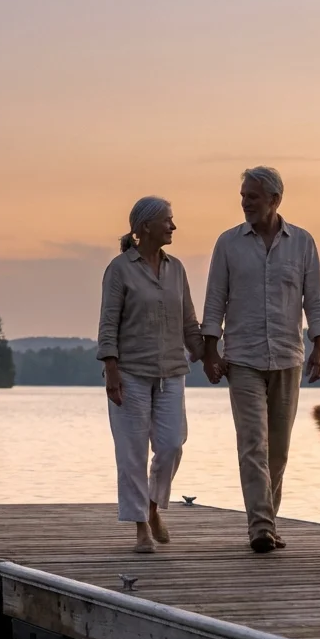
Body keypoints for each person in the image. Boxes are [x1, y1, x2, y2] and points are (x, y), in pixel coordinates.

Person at [200, 166, 320, 554]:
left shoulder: (303, 243)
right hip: (242, 357)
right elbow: (214, 300)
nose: (245, 203)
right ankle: (259, 527)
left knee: (279, 449)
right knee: (252, 443)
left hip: (288, 357)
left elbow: (316, 300)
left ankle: (268, 522)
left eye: (252, 197)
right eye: (242, 196)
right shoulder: (228, 244)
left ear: (275, 199)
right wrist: (211, 350)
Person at [96, 196, 204, 554]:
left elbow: (190, 322)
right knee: (131, 454)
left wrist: (211, 355)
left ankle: (155, 506)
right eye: (168, 221)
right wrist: (111, 369)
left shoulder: (177, 269)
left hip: (172, 371)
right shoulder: (120, 269)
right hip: (130, 373)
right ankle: (141, 527)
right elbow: (108, 323)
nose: (173, 226)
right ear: (144, 227)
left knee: (172, 444)